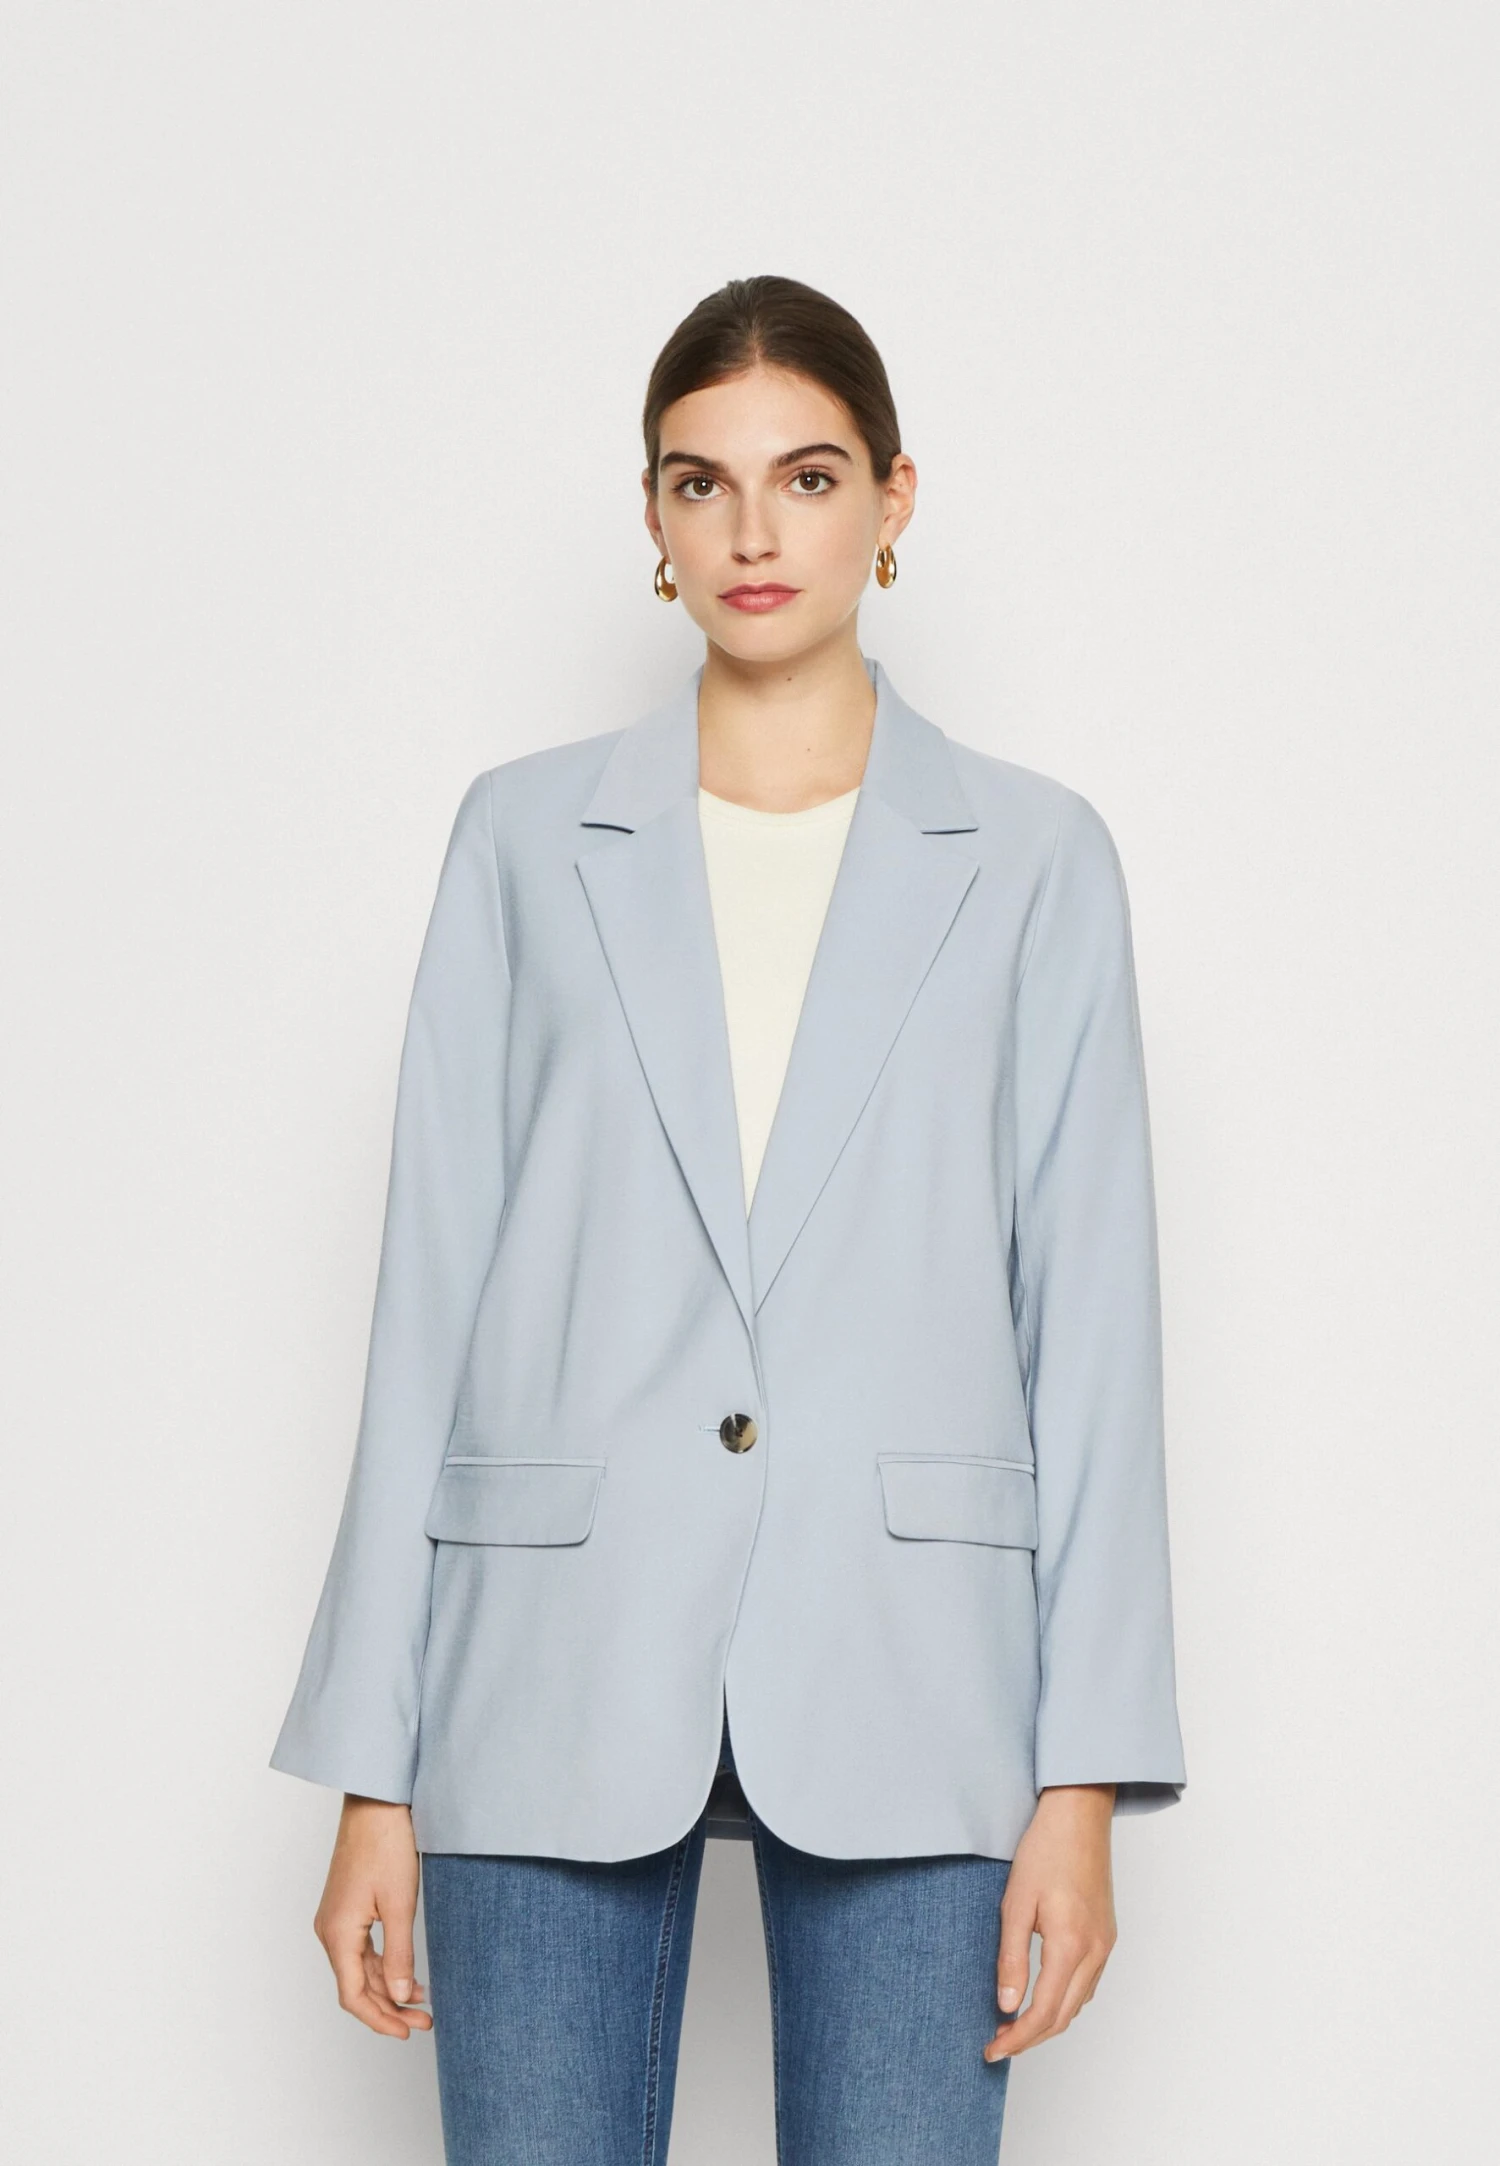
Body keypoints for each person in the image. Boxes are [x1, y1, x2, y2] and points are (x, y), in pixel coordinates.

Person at [270, 274, 1188, 2164]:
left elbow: (1092, 1326)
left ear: (895, 499)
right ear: (654, 517)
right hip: (550, 1654)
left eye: (809, 477)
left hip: (921, 1673)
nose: (755, 532)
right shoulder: (523, 838)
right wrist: (373, 1765)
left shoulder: (1036, 862)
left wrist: (1085, 1778)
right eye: (703, 483)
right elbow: (428, 1295)